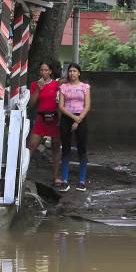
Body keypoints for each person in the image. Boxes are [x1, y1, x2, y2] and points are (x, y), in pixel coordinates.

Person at [57, 63, 91, 192]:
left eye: (74, 71)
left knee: (82, 149)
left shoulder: (85, 87)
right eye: (70, 71)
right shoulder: (63, 87)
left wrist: (78, 119)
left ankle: (82, 181)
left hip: (81, 118)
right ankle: (65, 180)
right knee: (65, 149)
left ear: (79, 73)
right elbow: (61, 106)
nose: (72, 73)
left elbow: (87, 106)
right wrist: (73, 118)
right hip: (66, 118)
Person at [28, 62, 62, 185]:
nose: (43, 72)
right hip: (41, 118)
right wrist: (38, 88)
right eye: (42, 70)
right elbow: (31, 104)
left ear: (50, 71)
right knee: (32, 145)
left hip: (54, 118)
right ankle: (22, 173)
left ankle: (56, 177)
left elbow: (61, 100)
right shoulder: (34, 84)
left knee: (56, 147)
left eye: (46, 70)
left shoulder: (56, 84)